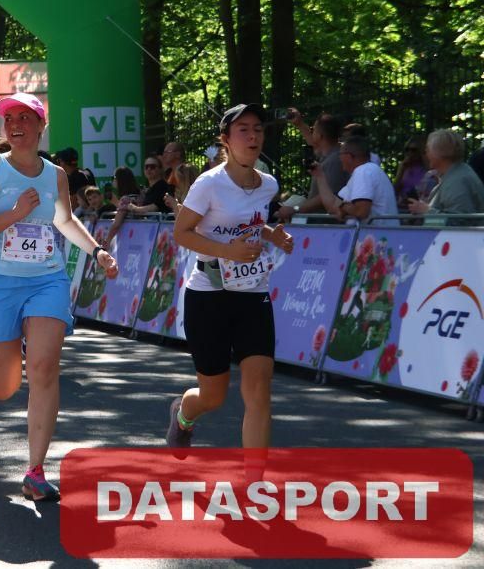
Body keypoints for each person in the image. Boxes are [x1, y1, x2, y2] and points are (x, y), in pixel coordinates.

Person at [0, 92, 119, 502]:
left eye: (24, 117)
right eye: (9, 118)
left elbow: (64, 221)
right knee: (3, 388)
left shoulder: (56, 175)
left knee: (45, 367)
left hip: (46, 279)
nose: (16, 124)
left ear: (40, 125)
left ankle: (35, 470)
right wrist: (14, 214)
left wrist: (97, 252)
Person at [166, 104, 294, 470]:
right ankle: (183, 415)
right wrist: (228, 252)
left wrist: (272, 235)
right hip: (208, 295)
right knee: (213, 396)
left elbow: (249, 222)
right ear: (226, 139)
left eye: (258, 129)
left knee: (259, 392)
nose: (253, 136)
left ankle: (255, 482)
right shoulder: (209, 184)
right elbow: (182, 232)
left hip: (252, 294)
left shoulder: (268, 184)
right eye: (243, 130)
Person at [278, 110, 348, 220]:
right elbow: (314, 144)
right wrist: (299, 124)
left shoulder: (335, 160)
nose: (311, 130)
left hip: (326, 223)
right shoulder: (328, 154)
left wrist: (296, 209)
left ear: (320, 136)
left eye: (313, 129)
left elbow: (326, 196)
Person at [316, 136, 398, 225]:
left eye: (340, 154)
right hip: (376, 233)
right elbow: (333, 206)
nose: (339, 158)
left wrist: (342, 205)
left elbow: (361, 212)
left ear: (348, 156)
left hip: (375, 233)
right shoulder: (366, 171)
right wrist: (319, 175)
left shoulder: (363, 171)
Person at [408, 128, 484, 220]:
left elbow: (459, 222)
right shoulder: (455, 174)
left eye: (428, 149)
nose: (426, 153)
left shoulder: (457, 181)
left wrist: (426, 211)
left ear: (440, 153)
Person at [393, 135, 427, 208]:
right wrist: (401, 170)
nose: (410, 152)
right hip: (403, 205)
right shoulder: (404, 167)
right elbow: (394, 191)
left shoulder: (426, 168)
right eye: (407, 149)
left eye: (413, 150)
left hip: (421, 206)